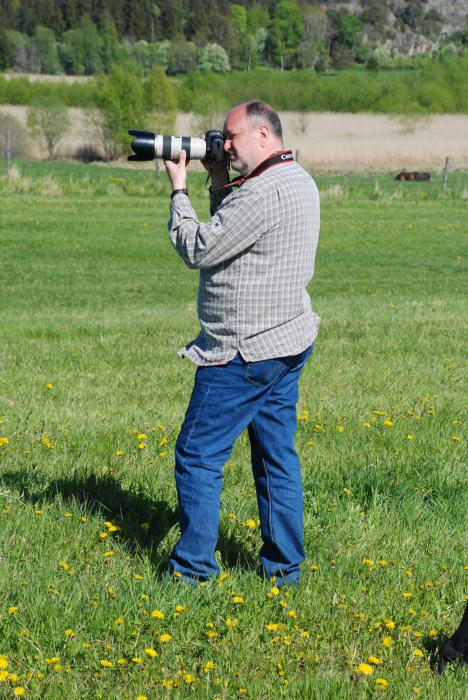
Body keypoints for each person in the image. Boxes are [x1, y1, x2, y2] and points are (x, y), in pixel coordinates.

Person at [164, 100, 320, 586]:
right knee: (276, 458)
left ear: (264, 135)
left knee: (198, 455)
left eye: (231, 137)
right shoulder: (296, 179)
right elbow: (235, 233)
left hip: (240, 351)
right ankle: (285, 569)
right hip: (287, 341)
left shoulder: (260, 193)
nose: (224, 145)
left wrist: (179, 190)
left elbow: (202, 247)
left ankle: (192, 571)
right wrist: (217, 182)